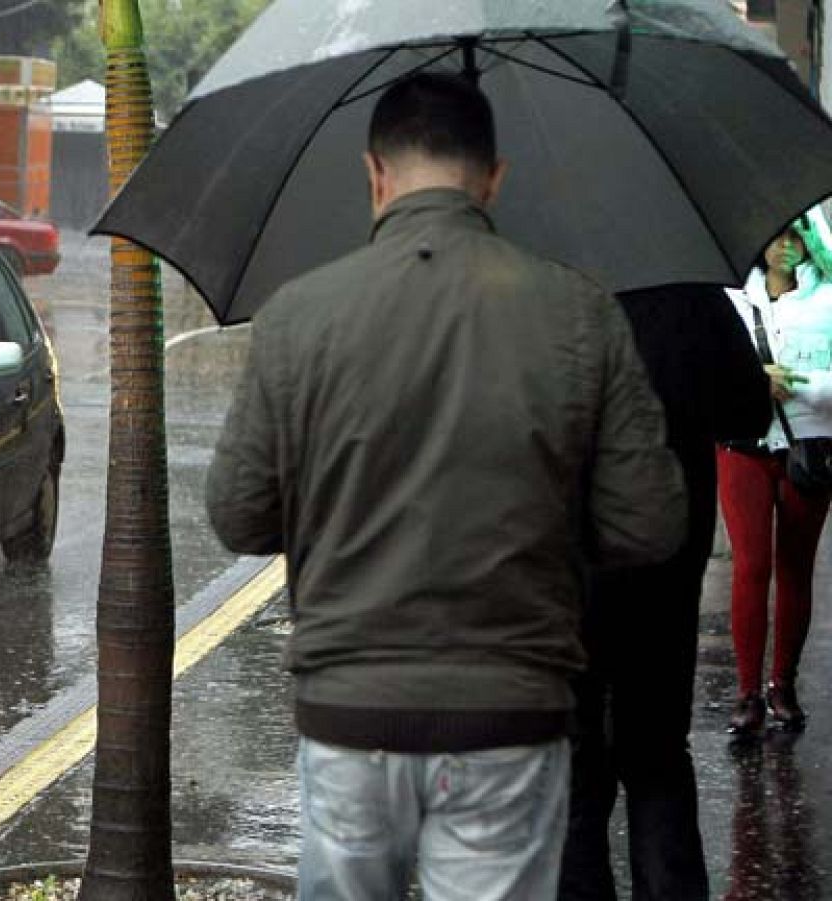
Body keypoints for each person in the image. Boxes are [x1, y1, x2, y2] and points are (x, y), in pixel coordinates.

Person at [205, 72, 686, 900]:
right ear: (494, 179)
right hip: (512, 711)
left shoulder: (298, 315)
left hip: (350, 713)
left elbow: (239, 514)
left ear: (374, 175)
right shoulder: (580, 312)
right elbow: (650, 521)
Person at [560, 284, 771, 901]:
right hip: (664, 562)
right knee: (656, 756)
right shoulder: (692, 297)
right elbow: (748, 413)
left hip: (561, 569)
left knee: (571, 766)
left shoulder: (522, 297)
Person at [719, 213, 832, 736]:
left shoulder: (827, 299)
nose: (786, 246)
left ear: (810, 242)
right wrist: (750, 381)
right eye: (777, 236)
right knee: (751, 566)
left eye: (797, 236)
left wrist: (800, 384)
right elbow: (709, 369)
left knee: (794, 568)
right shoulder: (732, 300)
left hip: (809, 446)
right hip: (743, 443)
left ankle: (781, 683)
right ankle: (746, 693)